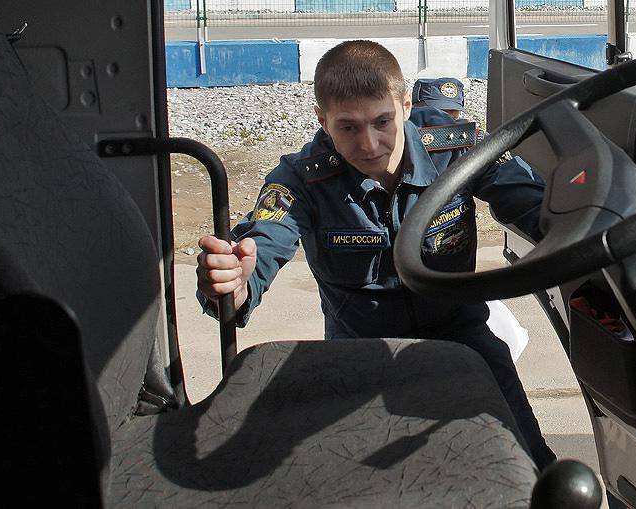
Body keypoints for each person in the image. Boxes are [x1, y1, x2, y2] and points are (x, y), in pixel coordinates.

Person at [195, 41, 556, 468]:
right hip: (358, 354)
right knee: (360, 481)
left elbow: (536, 207)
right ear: (322, 121)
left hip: (461, 339)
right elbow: (262, 248)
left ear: (405, 106)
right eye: (348, 127)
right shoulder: (301, 179)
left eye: (382, 121)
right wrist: (232, 283)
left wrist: (582, 218)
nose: (369, 144)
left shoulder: (457, 150)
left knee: (532, 465)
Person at [412, 76, 531, 363]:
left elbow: (520, 193)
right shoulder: (378, 156)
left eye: (451, 115)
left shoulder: (468, 149)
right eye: (432, 112)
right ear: (409, 110)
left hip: (455, 309)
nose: (441, 122)